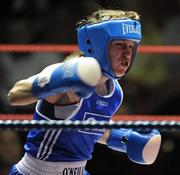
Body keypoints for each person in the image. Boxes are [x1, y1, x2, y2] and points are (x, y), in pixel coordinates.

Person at [7, 9, 161, 175]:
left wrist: (123, 138)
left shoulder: (115, 93)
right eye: (120, 45)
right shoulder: (67, 75)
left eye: (131, 46)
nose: (128, 54)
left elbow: (88, 126)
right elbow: (15, 94)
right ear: (98, 45)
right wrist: (56, 81)